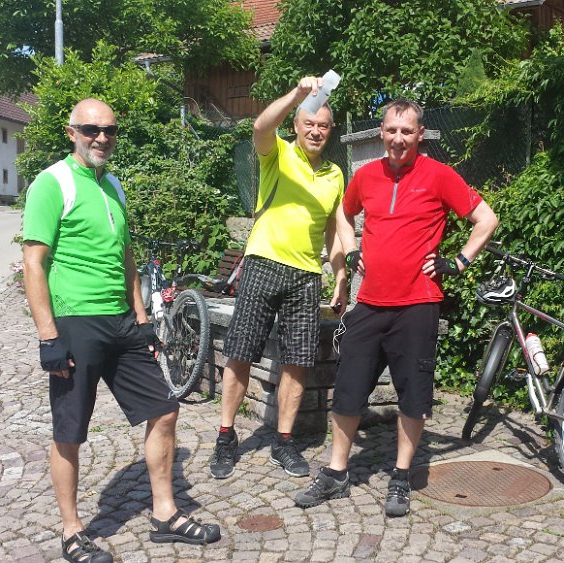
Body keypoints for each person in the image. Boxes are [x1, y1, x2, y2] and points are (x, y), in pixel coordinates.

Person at [22, 98, 221, 563]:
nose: (102, 138)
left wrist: (144, 320)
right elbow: (33, 262)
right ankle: (73, 531)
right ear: (72, 132)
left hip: (123, 322)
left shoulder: (113, 185)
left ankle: (165, 514)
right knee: (70, 430)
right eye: (91, 130)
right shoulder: (52, 183)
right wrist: (49, 336)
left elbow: (126, 257)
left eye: (109, 130)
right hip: (75, 322)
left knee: (164, 409)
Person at [294, 98, 499, 517]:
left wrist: (458, 261)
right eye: (391, 130)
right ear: (381, 133)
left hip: (418, 305)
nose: (398, 138)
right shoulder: (366, 175)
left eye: (407, 131)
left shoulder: (439, 175)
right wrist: (351, 251)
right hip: (369, 304)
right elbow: (342, 214)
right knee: (348, 389)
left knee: (413, 396)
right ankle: (335, 473)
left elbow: (486, 219)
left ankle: (401, 476)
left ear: (419, 134)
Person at [209, 77, 347, 481]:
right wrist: (298, 96)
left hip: (306, 276)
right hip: (263, 263)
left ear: (331, 130)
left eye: (323, 125)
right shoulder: (278, 152)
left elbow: (334, 232)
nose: (316, 131)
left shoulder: (335, 175)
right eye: (309, 123)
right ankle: (226, 435)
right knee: (240, 352)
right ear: (297, 126)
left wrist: (340, 274)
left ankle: (284, 441)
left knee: (298, 361)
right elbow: (259, 126)